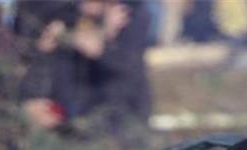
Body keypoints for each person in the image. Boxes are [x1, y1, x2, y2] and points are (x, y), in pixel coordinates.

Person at [16, 0, 152, 135]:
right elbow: (40, 65)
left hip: (116, 123)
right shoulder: (64, 15)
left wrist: (105, 45)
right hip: (69, 124)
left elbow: (129, 69)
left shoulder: (129, 14)